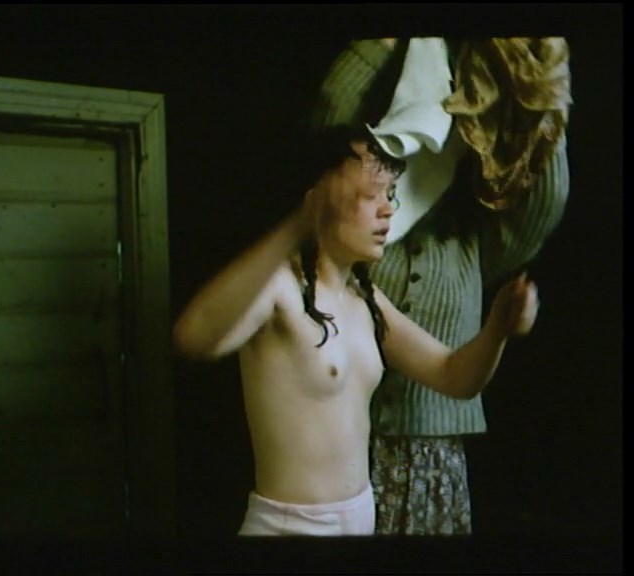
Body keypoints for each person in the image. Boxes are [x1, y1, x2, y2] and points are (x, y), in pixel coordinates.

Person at [172, 125, 540, 537]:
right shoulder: (280, 287)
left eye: (390, 195)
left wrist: (497, 328)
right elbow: (192, 336)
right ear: (318, 199)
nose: (387, 211)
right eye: (370, 195)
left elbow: (454, 376)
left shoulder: (366, 299)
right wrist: (297, 226)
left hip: (362, 520)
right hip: (289, 529)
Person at [309, 37, 571, 535]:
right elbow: (329, 121)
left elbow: (544, 201)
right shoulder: (356, 239)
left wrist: (546, 100)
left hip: (434, 451)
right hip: (341, 441)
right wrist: (386, 41)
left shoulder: (472, 243)